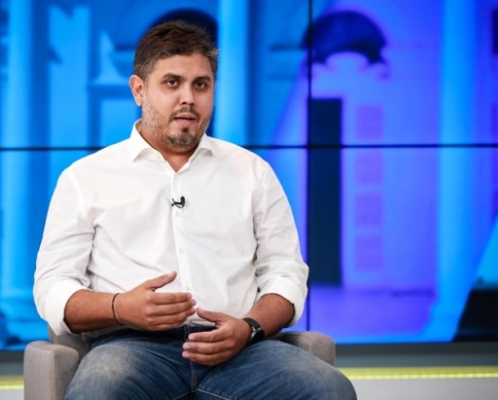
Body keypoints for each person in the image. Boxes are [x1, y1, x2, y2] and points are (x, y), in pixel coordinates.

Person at [34, 20, 356, 400]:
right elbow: (53, 287)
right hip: (131, 348)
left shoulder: (252, 172)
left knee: (331, 389)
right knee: (98, 390)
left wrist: (249, 328)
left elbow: (286, 274)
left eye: (201, 85)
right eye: (172, 83)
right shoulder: (84, 178)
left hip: (241, 351)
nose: (188, 97)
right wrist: (121, 307)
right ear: (139, 90)